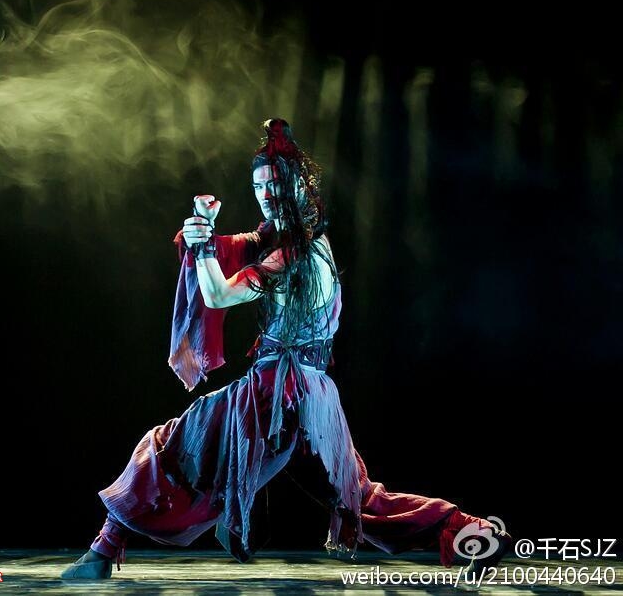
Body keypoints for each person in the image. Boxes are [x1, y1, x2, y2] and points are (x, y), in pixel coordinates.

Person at [61, 118, 512, 580]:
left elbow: (218, 294)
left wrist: (203, 248)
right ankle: (468, 529)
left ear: (300, 185)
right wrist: (204, 233)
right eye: (259, 187)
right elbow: (244, 245)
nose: (266, 195)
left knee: (172, 445)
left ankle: (102, 551)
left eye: (275, 185)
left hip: (275, 391)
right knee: (358, 498)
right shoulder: (301, 240)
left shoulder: (295, 252)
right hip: (315, 396)